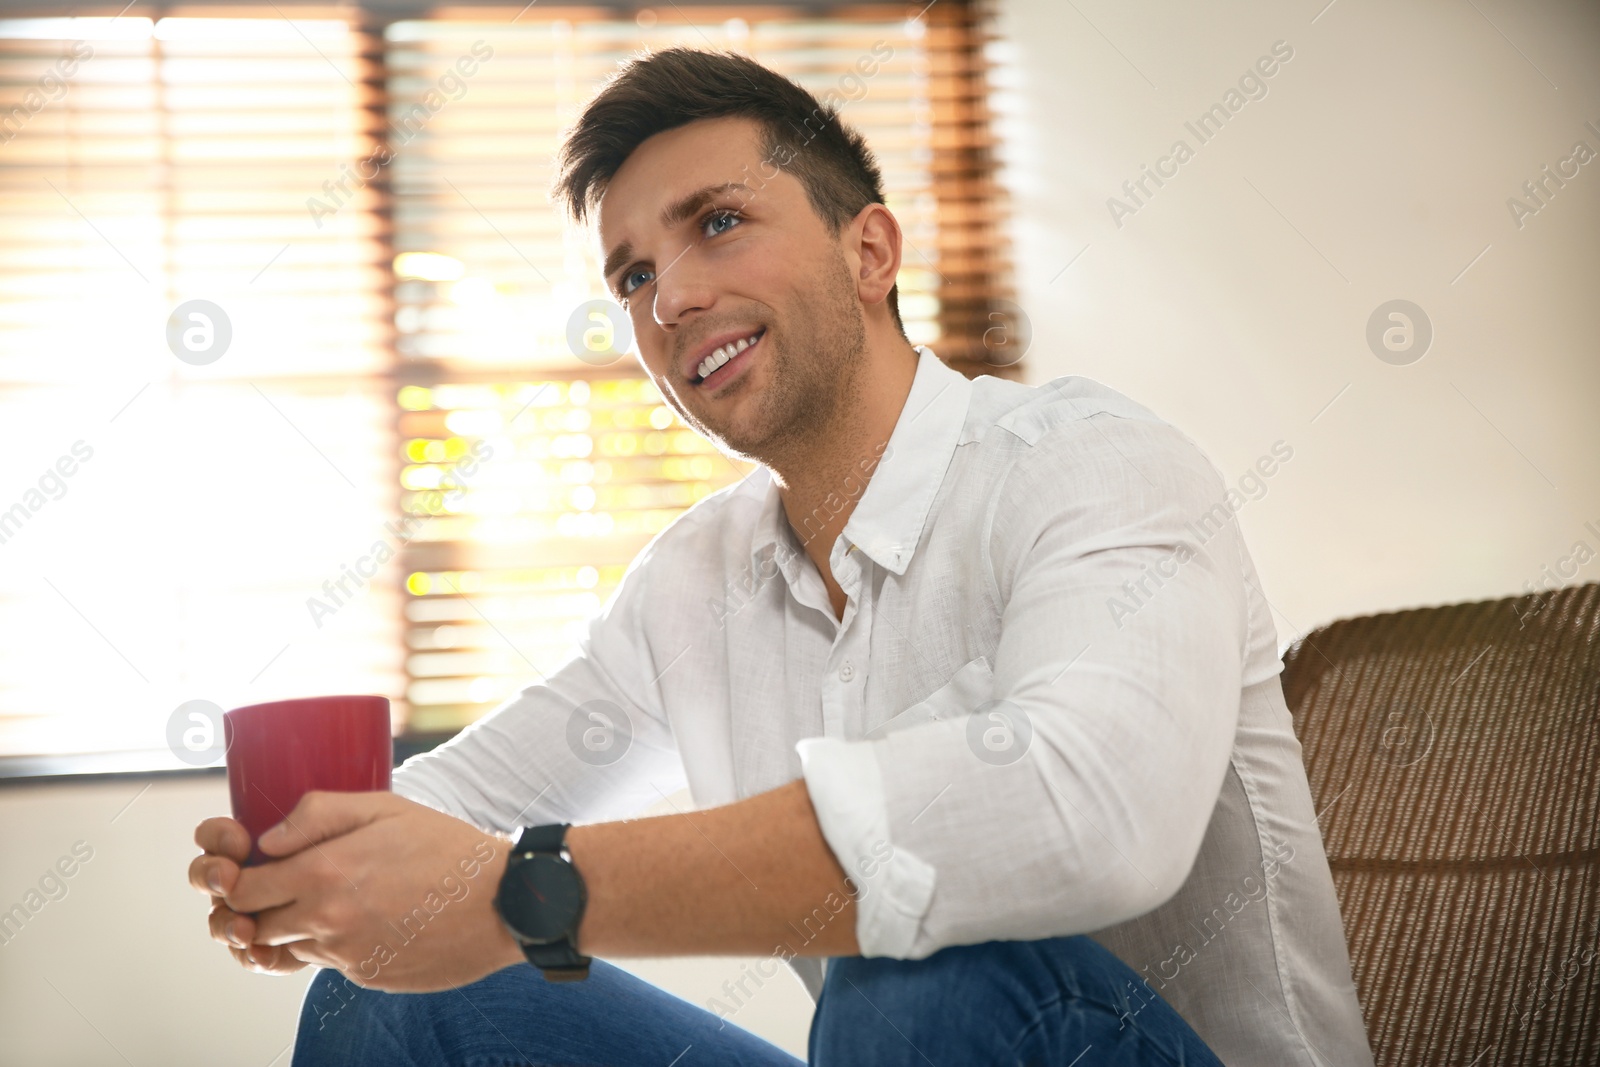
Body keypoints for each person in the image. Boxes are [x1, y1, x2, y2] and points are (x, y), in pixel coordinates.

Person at [189, 47, 1374, 1066]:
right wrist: (315, 868)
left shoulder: (1091, 463)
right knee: (390, 994)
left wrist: (524, 892)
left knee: (917, 968)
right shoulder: (694, 582)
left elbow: (1088, 809)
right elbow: (464, 801)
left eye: (717, 222)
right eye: (634, 275)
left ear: (871, 253)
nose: (672, 298)